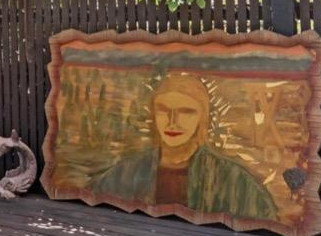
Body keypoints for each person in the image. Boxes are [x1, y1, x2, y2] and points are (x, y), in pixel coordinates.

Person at [89, 73, 277, 221]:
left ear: (202, 119)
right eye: (163, 110)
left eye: (186, 112)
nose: (173, 122)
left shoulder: (234, 182)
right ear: (153, 115)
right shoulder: (123, 175)